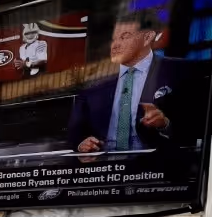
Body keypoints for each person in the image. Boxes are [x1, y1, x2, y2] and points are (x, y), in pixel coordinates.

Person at [67, 10, 186, 153]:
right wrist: (82, 143)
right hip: (102, 168)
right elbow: (74, 133)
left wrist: (165, 125)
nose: (115, 45)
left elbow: (197, 126)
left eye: (125, 37)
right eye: (114, 39)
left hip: (157, 166)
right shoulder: (94, 81)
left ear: (147, 37)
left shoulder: (179, 71)